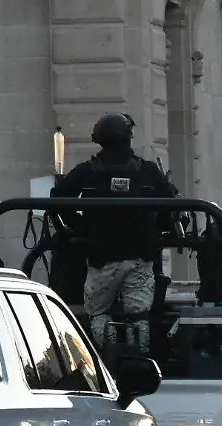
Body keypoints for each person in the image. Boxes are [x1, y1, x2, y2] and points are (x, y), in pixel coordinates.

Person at [50, 112, 179, 352]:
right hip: (140, 259)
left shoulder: (88, 172)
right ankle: (139, 361)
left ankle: (106, 359)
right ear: (128, 138)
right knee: (139, 316)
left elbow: (58, 199)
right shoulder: (148, 172)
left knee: (98, 311)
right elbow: (171, 208)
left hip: (102, 259)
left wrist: (81, 229)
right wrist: (155, 231)